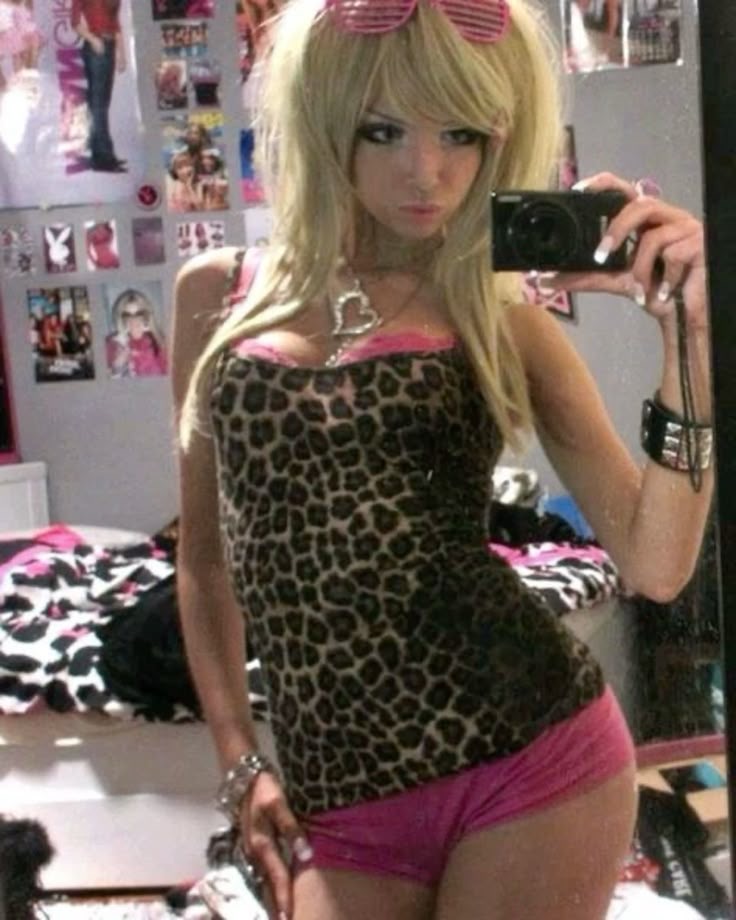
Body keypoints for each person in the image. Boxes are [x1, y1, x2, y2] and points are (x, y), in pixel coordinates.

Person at [170, 1, 712, 919]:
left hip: (534, 764)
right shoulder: (214, 296)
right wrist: (238, 760)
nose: (426, 172)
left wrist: (687, 341)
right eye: (383, 130)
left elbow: (656, 564)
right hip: (340, 802)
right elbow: (206, 561)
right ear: (325, 117)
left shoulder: (497, 321)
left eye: (461, 132)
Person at [71, 0, 127, 173]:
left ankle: (99, 156)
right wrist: (93, 39)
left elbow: (115, 22)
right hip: (95, 47)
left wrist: (121, 53)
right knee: (98, 105)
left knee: (102, 103)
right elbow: (75, 21)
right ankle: (105, 156)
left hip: (109, 45)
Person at [106, 288, 167, 378]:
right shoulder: (112, 346)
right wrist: (117, 367)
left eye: (139, 314)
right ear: (121, 320)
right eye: (127, 316)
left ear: (148, 317)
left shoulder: (162, 343)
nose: (134, 321)